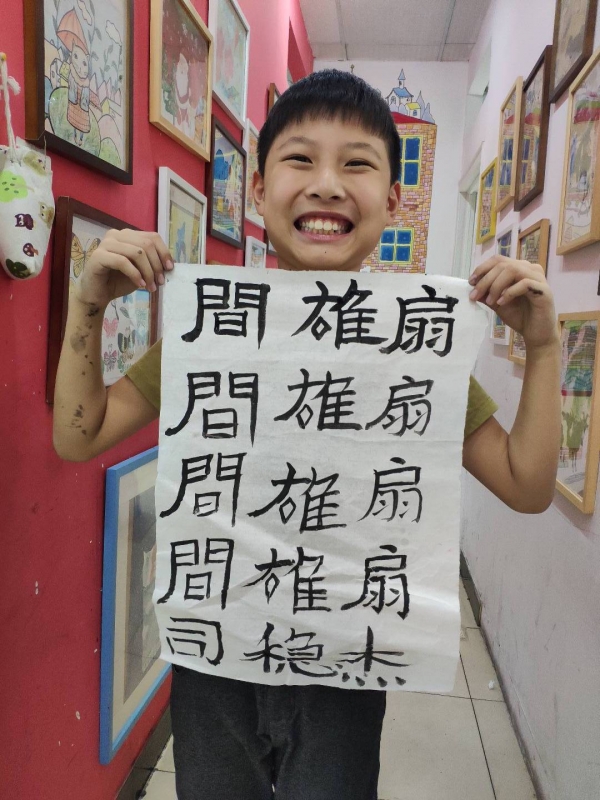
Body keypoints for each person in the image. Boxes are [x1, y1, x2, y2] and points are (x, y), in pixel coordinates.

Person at [53, 70, 561, 800]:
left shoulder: (414, 348)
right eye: (300, 159)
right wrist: (88, 306)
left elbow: (526, 485)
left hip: (344, 664)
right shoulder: (214, 334)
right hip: (217, 654)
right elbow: (80, 436)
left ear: (393, 199)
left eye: (357, 163)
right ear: (259, 192)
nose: (327, 185)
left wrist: (543, 348)